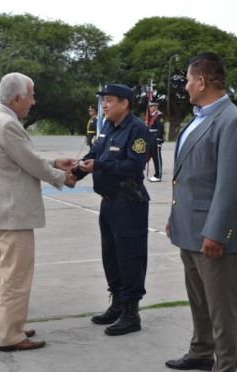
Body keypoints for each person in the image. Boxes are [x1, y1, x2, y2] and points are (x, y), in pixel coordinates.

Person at [165, 52, 237, 372]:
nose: (186, 87)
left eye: (188, 80)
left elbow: (231, 186)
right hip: (188, 227)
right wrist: (174, 218)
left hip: (212, 234)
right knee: (199, 301)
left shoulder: (233, 121)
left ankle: (225, 365)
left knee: (221, 307)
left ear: (201, 82)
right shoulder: (199, 116)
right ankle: (201, 352)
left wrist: (216, 232)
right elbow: (189, 178)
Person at [0, 72, 77, 352]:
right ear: (17, 97)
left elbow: (22, 157)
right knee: (16, 275)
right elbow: (31, 163)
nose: (33, 102)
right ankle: (11, 335)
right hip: (15, 213)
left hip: (5, 212)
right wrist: (62, 177)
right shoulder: (7, 124)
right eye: (31, 96)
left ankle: (3, 327)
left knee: (3, 273)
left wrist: (56, 161)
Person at [73, 84, 150, 336]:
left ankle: (131, 313)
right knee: (111, 256)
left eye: (108, 100)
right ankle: (117, 304)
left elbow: (133, 165)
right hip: (108, 202)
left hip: (128, 201)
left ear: (124, 103)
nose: (104, 105)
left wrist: (99, 164)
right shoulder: (107, 126)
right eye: (103, 100)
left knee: (130, 256)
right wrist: (76, 171)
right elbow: (95, 152)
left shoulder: (137, 129)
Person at [146, 101, 165, 182]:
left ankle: (158, 175)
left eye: (151, 106)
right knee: (153, 157)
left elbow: (160, 129)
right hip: (151, 139)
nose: (150, 108)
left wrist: (159, 141)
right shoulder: (152, 116)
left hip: (155, 139)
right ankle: (156, 174)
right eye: (149, 107)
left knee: (157, 158)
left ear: (156, 107)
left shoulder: (159, 116)